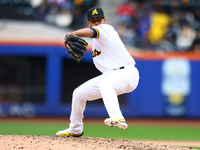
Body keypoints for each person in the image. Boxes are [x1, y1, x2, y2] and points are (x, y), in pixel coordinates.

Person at [56, 7, 139, 137]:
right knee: (78, 93)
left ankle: (117, 117)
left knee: (106, 84)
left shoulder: (107, 29)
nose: (96, 23)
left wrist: (71, 34)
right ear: (88, 22)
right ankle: (75, 129)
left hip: (126, 73)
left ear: (104, 20)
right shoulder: (97, 42)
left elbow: (91, 32)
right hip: (110, 75)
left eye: (99, 20)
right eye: (93, 20)